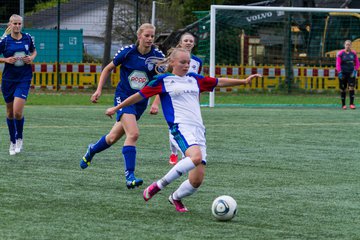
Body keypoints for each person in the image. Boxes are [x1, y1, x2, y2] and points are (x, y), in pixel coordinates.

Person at [105, 48, 261, 212]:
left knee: (196, 180)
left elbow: (218, 81)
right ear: (172, 63)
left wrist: (243, 82)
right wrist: (117, 107)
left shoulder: (194, 79)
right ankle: (158, 185)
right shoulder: (162, 80)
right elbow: (139, 95)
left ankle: (175, 197)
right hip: (180, 127)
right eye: (183, 62)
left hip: (199, 130)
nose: (187, 66)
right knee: (195, 157)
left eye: (188, 62)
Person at [79, 23, 165, 189]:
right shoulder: (127, 52)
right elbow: (107, 69)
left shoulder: (157, 57)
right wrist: (98, 90)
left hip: (139, 103)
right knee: (133, 134)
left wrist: (155, 102)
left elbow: (162, 81)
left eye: (152, 36)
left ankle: (92, 150)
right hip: (123, 98)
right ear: (139, 36)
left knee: (112, 138)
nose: (149, 39)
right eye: (146, 36)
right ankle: (130, 176)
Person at [149, 32, 203, 165]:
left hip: (189, 99)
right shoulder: (173, 59)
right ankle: (174, 153)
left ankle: (189, 152)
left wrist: (197, 100)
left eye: (191, 41)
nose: (189, 42)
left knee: (192, 127)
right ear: (181, 42)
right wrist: (156, 103)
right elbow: (164, 83)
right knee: (175, 125)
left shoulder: (197, 62)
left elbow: (199, 83)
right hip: (174, 97)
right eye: (186, 40)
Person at [0, 14, 37, 155]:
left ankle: (19, 137)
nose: (17, 26)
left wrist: (31, 58)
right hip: (8, 80)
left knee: (17, 112)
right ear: (10, 25)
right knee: (9, 113)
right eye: (14, 23)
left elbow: (34, 51)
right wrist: (6, 60)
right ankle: (12, 141)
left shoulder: (27, 37)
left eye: (19, 23)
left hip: (24, 78)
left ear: (22, 24)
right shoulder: (5, 41)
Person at [336, 40, 359, 110]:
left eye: (349, 45)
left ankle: (352, 104)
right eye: (346, 44)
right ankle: (343, 105)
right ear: (344, 45)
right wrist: (339, 72)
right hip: (343, 73)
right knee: (343, 89)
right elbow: (338, 63)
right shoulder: (340, 53)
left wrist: (355, 70)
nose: (348, 46)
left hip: (351, 73)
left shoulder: (354, 53)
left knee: (351, 88)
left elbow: (357, 63)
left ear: (351, 45)